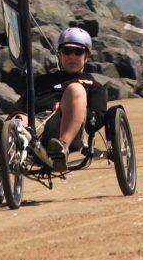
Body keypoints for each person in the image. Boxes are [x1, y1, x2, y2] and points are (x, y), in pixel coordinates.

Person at [11, 27, 108, 172]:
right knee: (19, 117)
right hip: (35, 125)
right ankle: (10, 142)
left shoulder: (93, 85)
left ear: (86, 55)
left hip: (66, 125)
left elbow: (98, 118)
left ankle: (61, 149)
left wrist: (66, 107)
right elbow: (20, 106)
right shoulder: (41, 81)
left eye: (78, 52)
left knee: (75, 89)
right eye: (67, 51)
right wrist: (16, 119)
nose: (72, 56)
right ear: (59, 54)